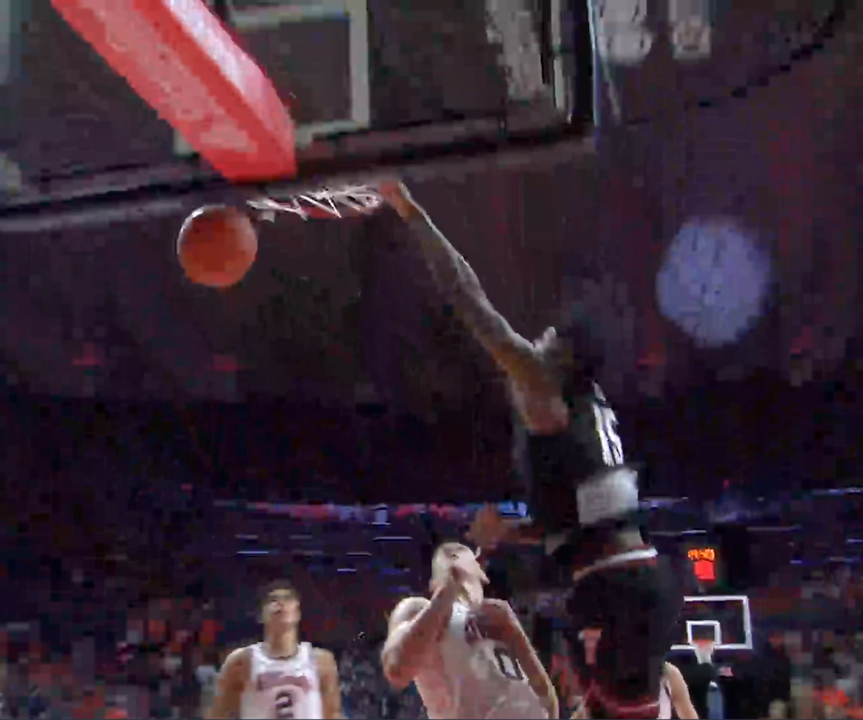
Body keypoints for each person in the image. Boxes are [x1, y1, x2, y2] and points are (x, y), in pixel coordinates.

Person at [379, 180, 683, 719]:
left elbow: (467, 298)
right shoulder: (591, 407)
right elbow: (588, 519)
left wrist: (410, 210)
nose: (534, 339)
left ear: (561, 358)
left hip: (619, 589)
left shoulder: (544, 386)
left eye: (545, 338)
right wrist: (513, 532)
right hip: (627, 580)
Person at [381, 541, 557, 719]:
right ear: (433, 584)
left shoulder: (499, 614)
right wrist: (448, 591)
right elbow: (397, 670)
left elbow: (544, 692)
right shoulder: (417, 609)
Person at [207, 582, 342, 719]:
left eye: (287, 599)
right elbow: (219, 714)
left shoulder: (321, 660)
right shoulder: (241, 661)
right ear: (261, 615)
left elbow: (332, 714)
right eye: (273, 599)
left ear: (297, 613)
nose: (280, 603)